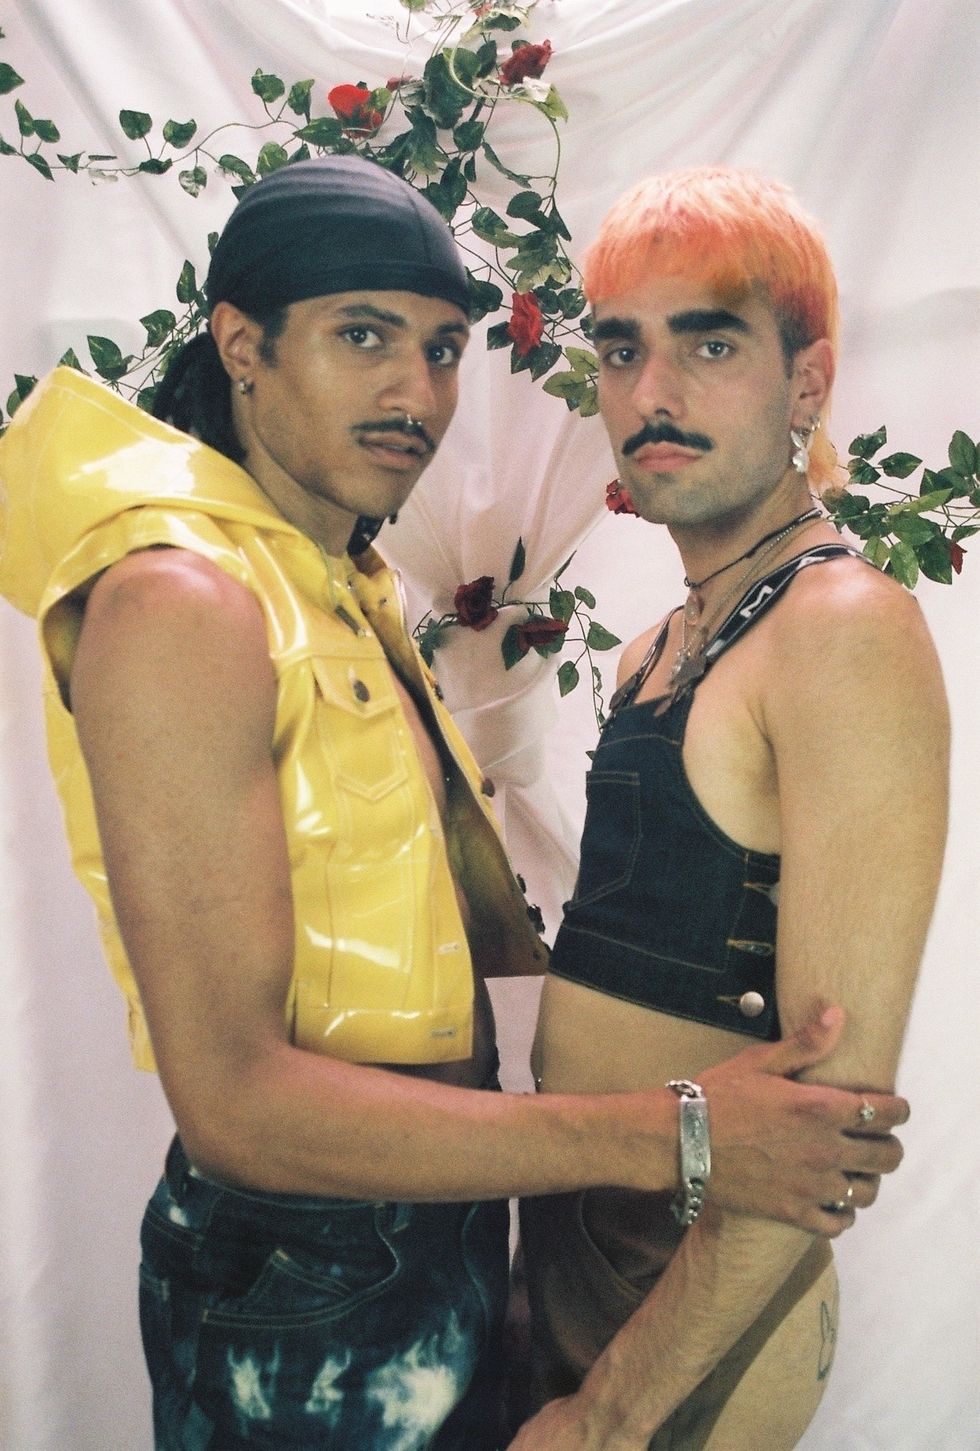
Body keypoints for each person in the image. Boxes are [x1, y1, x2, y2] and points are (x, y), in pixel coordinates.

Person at [0, 156, 910, 1450]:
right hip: (322, 1258)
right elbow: (237, 1100)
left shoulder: (335, 585)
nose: (414, 393)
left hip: (471, 1235)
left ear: (804, 379)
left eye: (438, 348)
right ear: (242, 345)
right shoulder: (185, 599)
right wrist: (675, 1134)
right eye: (362, 335)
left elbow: (826, 1098)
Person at [513, 167, 950, 1449]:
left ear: (805, 383)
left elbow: (829, 1117)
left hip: (693, 1304)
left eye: (708, 344)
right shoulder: (656, 646)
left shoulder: (840, 630)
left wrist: (609, 1414)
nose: (651, 392)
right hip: (567, 1243)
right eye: (620, 350)